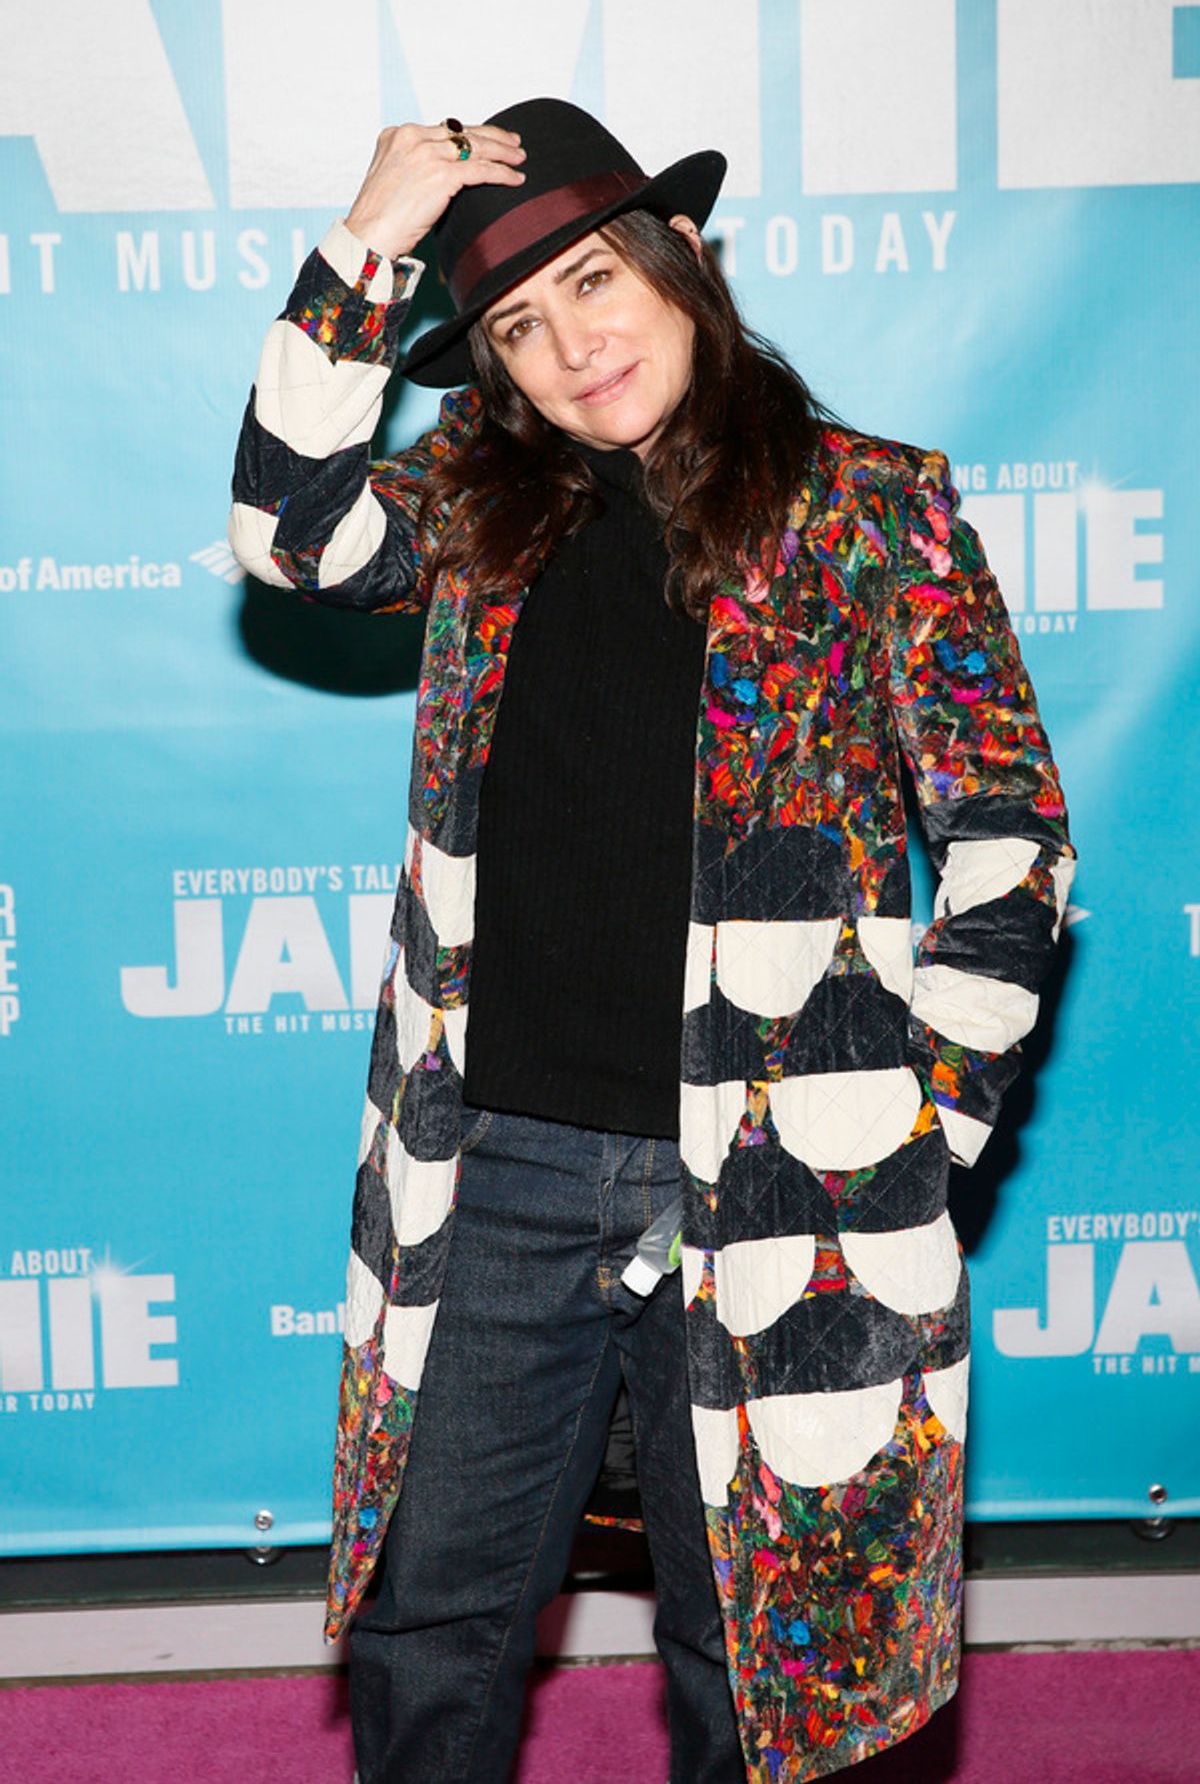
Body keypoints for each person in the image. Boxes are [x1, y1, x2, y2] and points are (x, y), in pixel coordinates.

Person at [229, 98, 1076, 1784]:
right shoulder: (481, 511)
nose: (570, 347)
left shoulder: (871, 512)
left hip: (776, 1182)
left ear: (687, 260)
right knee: (431, 1629)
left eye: (596, 283)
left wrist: (918, 1134)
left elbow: (1008, 840)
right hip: (499, 1172)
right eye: (521, 329)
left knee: (754, 1657)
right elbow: (288, 530)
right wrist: (362, 242)